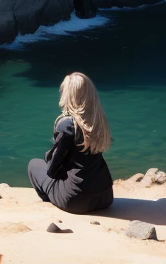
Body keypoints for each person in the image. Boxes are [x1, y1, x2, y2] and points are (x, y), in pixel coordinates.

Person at [27, 72, 113, 214]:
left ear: (68, 95)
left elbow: (52, 170)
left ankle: (53, 202)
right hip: (105, 197)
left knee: (34, 165)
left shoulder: (67, 124)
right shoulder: (98, 121)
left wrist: (50, 154)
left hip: (77, 201)